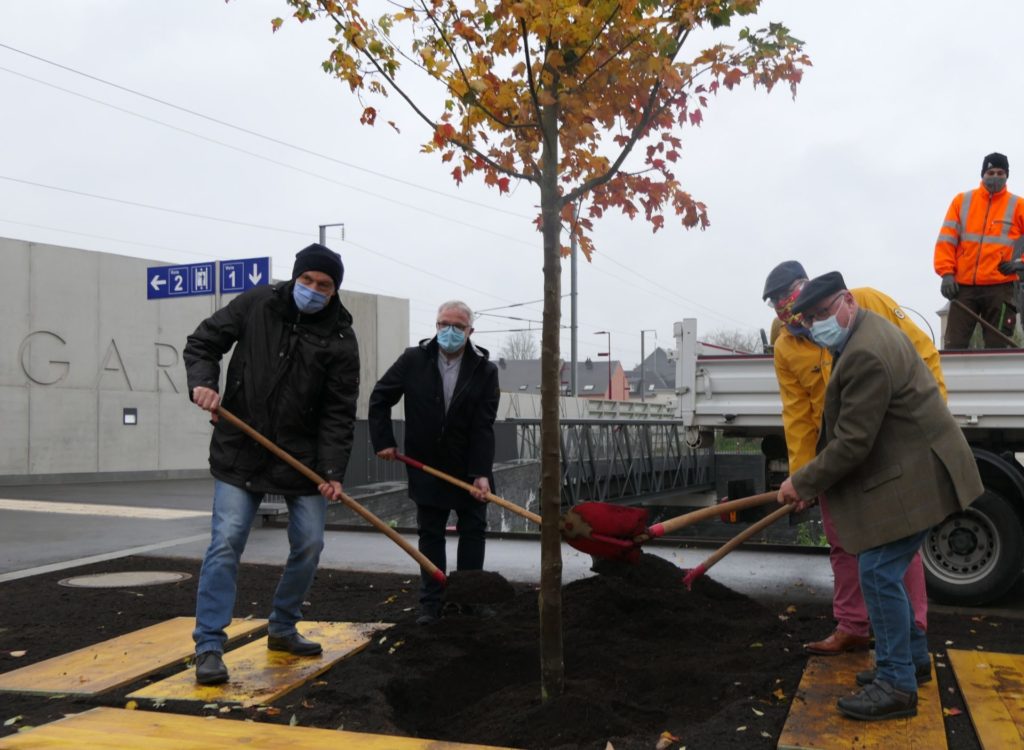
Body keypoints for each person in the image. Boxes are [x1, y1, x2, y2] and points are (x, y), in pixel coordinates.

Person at [779, 272, 982, 721]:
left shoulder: (865, 353)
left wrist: (803, 482)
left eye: (824, 312)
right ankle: (910, 660)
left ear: (847, 301)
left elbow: (853, 443)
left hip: (924, 472)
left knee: (876, 570)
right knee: (879, 566)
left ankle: (895, 684)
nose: (818, 324)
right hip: (920, 463)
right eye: (810, 319)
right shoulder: (862, 331)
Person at [184, 243, 360, 685]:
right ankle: (209, 644)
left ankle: (282, 626)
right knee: (226, 542)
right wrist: (203, 384)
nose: (314, 290)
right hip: (241, 445)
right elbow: (202, 343)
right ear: (295, 277)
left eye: (324, 285)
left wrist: (333, 471)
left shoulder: (341, 337)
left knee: (310, 543)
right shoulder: (257, 304)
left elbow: (338, 411)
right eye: (307, 280)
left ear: (335, 291)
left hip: (302, 461)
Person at [763, 261, 943, 656]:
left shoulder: (866, 303)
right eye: (780, 308)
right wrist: (804, 478)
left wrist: (928, 425)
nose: (796, 318)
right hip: (837, 456)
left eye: (795, 303)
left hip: (886, 444)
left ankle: (911, 631)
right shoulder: (786, 347)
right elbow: (797, 415)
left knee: (897, 540)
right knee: (842, 542)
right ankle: (853, 626)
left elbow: (923, 356)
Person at [368, 300, 500, 625]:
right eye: (444, 324)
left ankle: (469, 599)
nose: (450, 331)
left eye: (458, 326)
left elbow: (484, 425)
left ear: (470, 331)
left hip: (468, 467)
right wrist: (383, 441)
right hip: (424, 464)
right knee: (431, 534)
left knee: (473, 531)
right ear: (436, 326)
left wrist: (481, 473)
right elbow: (381, 396)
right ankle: (432, 602)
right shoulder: (414, 359)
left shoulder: (485, 369)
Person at [935, 152, 1024, 348]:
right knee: (953, 346)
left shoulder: (1018, 205)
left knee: (998, 349)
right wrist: (947, 273)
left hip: (1001, 289)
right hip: (964, 287)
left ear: (1007, 175)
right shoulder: (962, 202)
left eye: (1000, 172)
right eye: (991, 172)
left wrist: (1019, 264)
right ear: (982, 174)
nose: (995, 176)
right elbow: (947, 240)